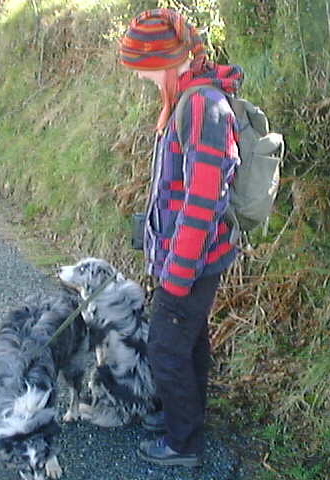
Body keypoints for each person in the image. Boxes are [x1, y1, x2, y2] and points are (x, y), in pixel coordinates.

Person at [119, 9, 243, 467]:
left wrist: (176, 273)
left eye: (144, 68)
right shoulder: (188, 97)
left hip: (190, 260)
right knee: (188, 339)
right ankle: (184, 415)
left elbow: (204, 200)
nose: (141, 77)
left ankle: (182, 444)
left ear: (167, 61)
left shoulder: (202, 106)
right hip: (187, 256)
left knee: (166, 347)